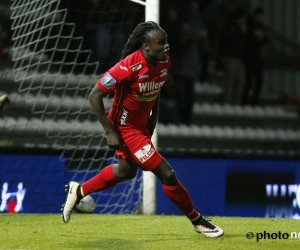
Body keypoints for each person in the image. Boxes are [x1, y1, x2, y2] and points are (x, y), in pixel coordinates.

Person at [61, 21, 224, 238]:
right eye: (161, 42)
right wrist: (110, 132)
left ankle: (79, 191)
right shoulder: (126, 67)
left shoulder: (164, 62)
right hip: (125, 128)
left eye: (166, 42)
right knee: (167, 174)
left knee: (125, 172)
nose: (166, 46)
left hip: (141, 125)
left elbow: (155, 90)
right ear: (146, 47)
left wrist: (153, 117)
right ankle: (198, 221)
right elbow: (94, 96)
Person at [242, 7, 270, 106]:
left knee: (259, 80)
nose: (260, 19)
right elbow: (245, 39)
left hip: (257, 57)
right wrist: (254, 35)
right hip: (248, 56)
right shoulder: (249, 25)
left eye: (262, 17)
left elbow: (266, 40)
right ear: (254, 16)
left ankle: (254, 101)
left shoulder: (261, 26)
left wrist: (262, 37)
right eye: (259, 17)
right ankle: (244, 101)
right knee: (248, 80)